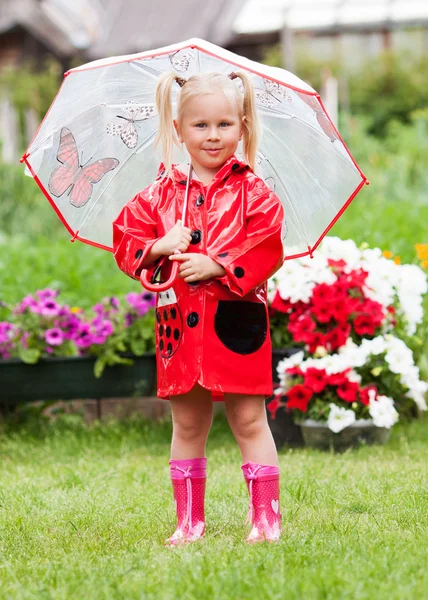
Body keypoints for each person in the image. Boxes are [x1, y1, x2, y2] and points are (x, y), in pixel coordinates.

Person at [112, 70, 285, 545]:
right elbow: (125, 238)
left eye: (225, 125)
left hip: (236, 324)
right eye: (201, 126)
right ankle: (189, 523)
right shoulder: (161, 193)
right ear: (178, 130)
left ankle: (266, 520)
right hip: (180, 330)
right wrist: (157, 246)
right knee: (187, 423)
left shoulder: (254, 192)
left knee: (249, 420)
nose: (213, 136)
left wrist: (219, 264)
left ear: (243, 127)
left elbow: (267, 244)